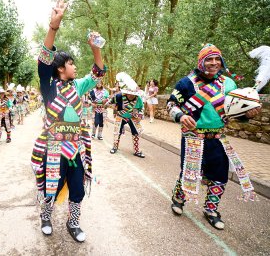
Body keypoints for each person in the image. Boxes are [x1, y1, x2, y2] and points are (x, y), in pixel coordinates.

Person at [30, 0, 106, 242]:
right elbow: (43, 61)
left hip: (76, 148)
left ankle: (73, 223)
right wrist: (53, 27)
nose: (75, 66)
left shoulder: (79, 86)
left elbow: (98, 72)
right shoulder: (48, 87)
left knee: (77, 187)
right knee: (51, 185)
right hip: (53, 147)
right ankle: (46, 215)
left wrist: (96, 48)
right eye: (71, 63)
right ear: (61, 68)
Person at [167, 44, 260, 230]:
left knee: (219, 176)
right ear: (201, 62)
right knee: (190, 173)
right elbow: (171, 105)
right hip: (194, 136)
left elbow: (233, 111)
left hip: (218, 138)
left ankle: (211, 209)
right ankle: (178, 199)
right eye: (209, 59)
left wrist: (247, 114)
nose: (214, 63)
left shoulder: (228, 84)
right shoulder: (186, 83)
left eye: (217, 59)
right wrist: (182, 116)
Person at [109, 73, 145, 158]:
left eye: (132, 94)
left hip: (133, 117)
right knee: (117, 132)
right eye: (128, 93)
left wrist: (139, 116)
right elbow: (110, 102)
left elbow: (141, 108)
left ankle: (136, 150)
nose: (130, 95)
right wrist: (113, 107)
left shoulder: (138, 99)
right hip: (120, 116)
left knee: (136, 132)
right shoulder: (119, 96)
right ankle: (115, 147)